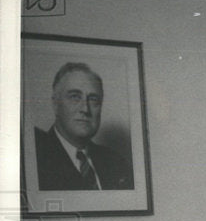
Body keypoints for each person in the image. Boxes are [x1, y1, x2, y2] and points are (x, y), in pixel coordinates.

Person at [34, 62, 134, 191]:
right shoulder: (35, 157)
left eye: (93, 99)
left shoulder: (117, 163)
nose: (85, 109)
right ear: (55, 104)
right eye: (75, 97)